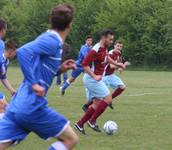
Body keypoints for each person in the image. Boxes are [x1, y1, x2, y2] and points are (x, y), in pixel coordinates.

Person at [0, 4, 79, 150]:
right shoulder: (52, 40)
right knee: (70, 139)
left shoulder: (49, 38)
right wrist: (34, 83)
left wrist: (60, 69)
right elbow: (23, 52)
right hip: (31, 107)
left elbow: (40, 70)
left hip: (17, 105)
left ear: (51, 20)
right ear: (70, 24)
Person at [74, 29, 126, 134]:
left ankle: (80, 124)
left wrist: (118, 64)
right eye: (110, 39)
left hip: (95, 79)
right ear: (104, 38)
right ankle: (92, 121)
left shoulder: (104, 48)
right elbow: (84, 64)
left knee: (96, 104)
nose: (112, 42)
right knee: (108, 98)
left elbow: (107, 58)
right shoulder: (95, 49)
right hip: (91, 79)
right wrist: (94, 76)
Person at [82, 40, 130, 111]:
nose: (119, 48)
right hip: (104, 76)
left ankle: (108, 101)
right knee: (99, 96)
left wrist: (120, 68)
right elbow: (111, 66)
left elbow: (117, 65)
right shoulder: (110, 53)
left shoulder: (119, 54)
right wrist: (123, 65)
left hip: (111, 75)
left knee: (122, 87)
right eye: (118, 46)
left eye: (120, 46)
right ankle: (86, 105)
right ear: (114, 46)